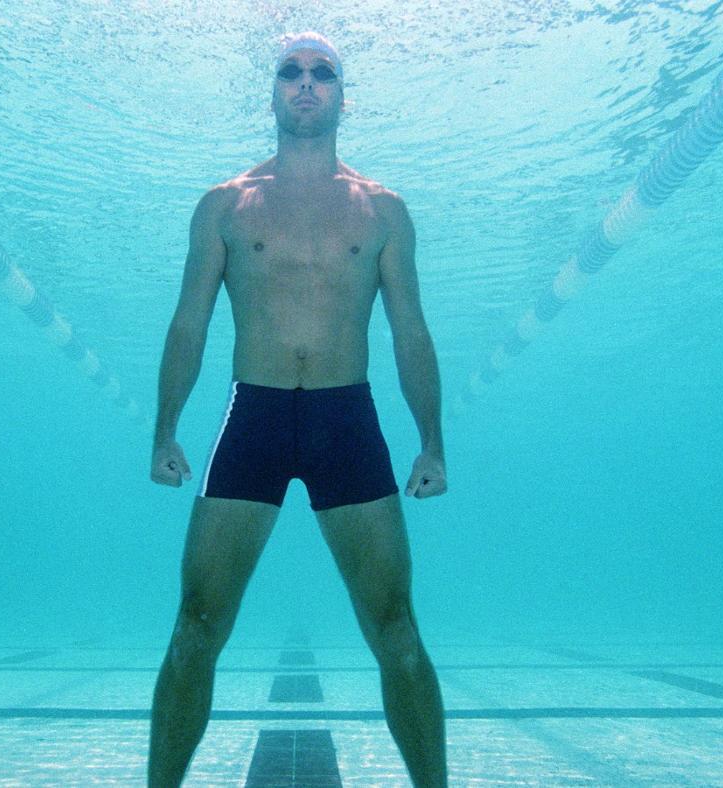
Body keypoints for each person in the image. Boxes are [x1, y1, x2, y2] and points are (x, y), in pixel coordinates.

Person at [147, 32, 448, 787]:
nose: (306, 84)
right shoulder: (224, 204)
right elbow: (190, 322)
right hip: (253, 418)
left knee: (394, 628)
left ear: (343, 94)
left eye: (322, 74)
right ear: (273, 91)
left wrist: (432, 443)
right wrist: (165, 431)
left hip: (347, 421)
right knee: (196, 627)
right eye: (292, 72)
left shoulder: (384, 210)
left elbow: (410, 329)